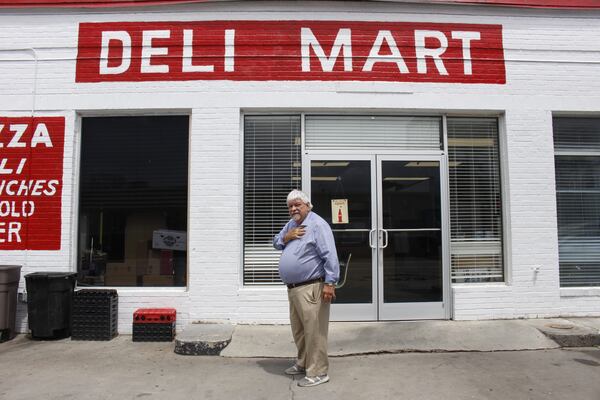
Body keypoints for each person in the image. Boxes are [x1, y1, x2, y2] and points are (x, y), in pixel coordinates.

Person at [273, 189, 340, 387]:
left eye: (298, 205)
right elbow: (276, 242)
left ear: (308, 206)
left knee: (314, 331)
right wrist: (286, 237)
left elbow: (330, 255)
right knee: (299, 330)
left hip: (312, 287)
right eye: (290, 206)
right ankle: (303, 363)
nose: (293, 208)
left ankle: (318, 372)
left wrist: (330, 283)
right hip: (294, 289)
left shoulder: (318, 225)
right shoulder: (291, 225)